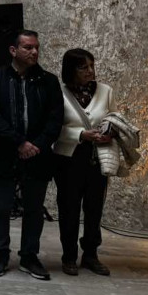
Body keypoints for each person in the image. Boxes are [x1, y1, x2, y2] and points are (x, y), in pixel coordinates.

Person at [0, 29, 63, 280]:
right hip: (4, 154)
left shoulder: (49, 81)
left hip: (37, 155)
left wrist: (37, 145)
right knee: (1, 207)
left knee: (34, 209)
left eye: (36, 47)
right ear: (13, 50)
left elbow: (55, 118)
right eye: (28, 47)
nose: (34, 52)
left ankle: (29, 256)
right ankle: (0, 254)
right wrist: (19, 142)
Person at [54, 48, 115, 277]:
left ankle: (90, 254)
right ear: (71, 70)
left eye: (91, 66)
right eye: (83, 67)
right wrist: (80, 134)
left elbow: (114, 118)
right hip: (69, 159)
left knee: (94, 208)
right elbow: (53, 127)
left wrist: (110, 132)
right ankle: (69, 256)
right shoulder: (58, 94)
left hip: (97, 158)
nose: (90, 71)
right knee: (69, 209)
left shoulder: (106, 91)